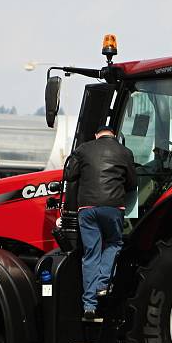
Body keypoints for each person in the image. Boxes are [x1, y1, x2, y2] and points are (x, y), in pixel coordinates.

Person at [64, 125, 136, 319]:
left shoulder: (83, 149)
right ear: (114, 135)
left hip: (87, 209)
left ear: (97, 135)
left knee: (90, 254)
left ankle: (89, 306)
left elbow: (70, 176)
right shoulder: (125, 152)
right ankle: (103, 284)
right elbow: (132, 184)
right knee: (114, 243)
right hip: (113, 208)